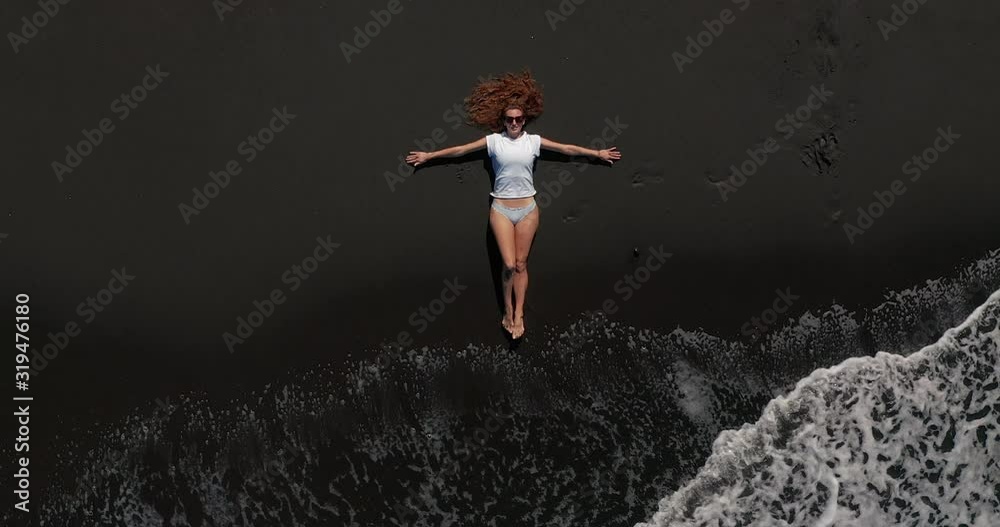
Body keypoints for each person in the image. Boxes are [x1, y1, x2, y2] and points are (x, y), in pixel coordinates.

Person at [406, 70, 622, 339]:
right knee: (508, 264)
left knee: (521, 263)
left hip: (528, 209)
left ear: (524, 120)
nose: (515, 123)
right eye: (510, 119)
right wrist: (429, 155)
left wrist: (597, 153)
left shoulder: (533, 141)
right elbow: (461, 151)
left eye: (519, 119)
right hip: (501, 209)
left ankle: (518, 313)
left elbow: (566, 149)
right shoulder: (494, 141)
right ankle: (506, 311)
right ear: (504, 121)